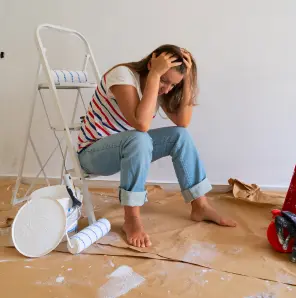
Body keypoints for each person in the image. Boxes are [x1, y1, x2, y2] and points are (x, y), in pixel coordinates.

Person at [77, 44, 237, 248]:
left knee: (180, 136)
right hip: (93, 154)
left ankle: (200, 205)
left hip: (127, 148)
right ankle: (131, 219)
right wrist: (154, 76)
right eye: (164, 81)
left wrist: (186, 81)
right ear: (152, 63)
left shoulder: (161, 88)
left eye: (173, 85)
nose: (166, 89)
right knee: (139, 137)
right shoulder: (122, 76)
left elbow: (183, 122)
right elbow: (141, 124)